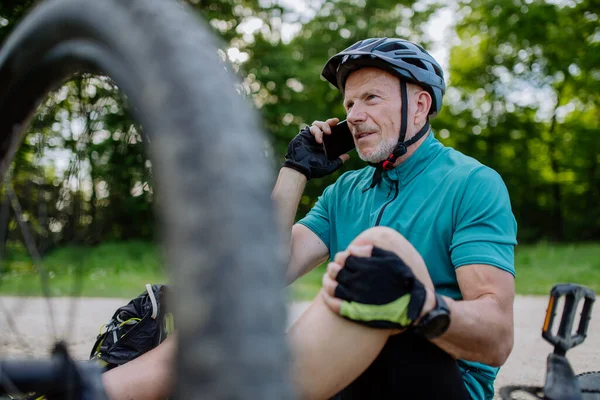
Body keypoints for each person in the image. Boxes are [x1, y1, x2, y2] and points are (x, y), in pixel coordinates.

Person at [102, 37, 518, 400]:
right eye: (349, 103)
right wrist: (295, 169)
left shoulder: (471, 183)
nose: (353, 115)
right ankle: (85, 392)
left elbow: (496, 338)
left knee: (380, 250)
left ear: (420, 106)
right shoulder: (345, 193)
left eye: (371, 98)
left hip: (439, 381)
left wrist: (419, 306)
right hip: (347, 379)